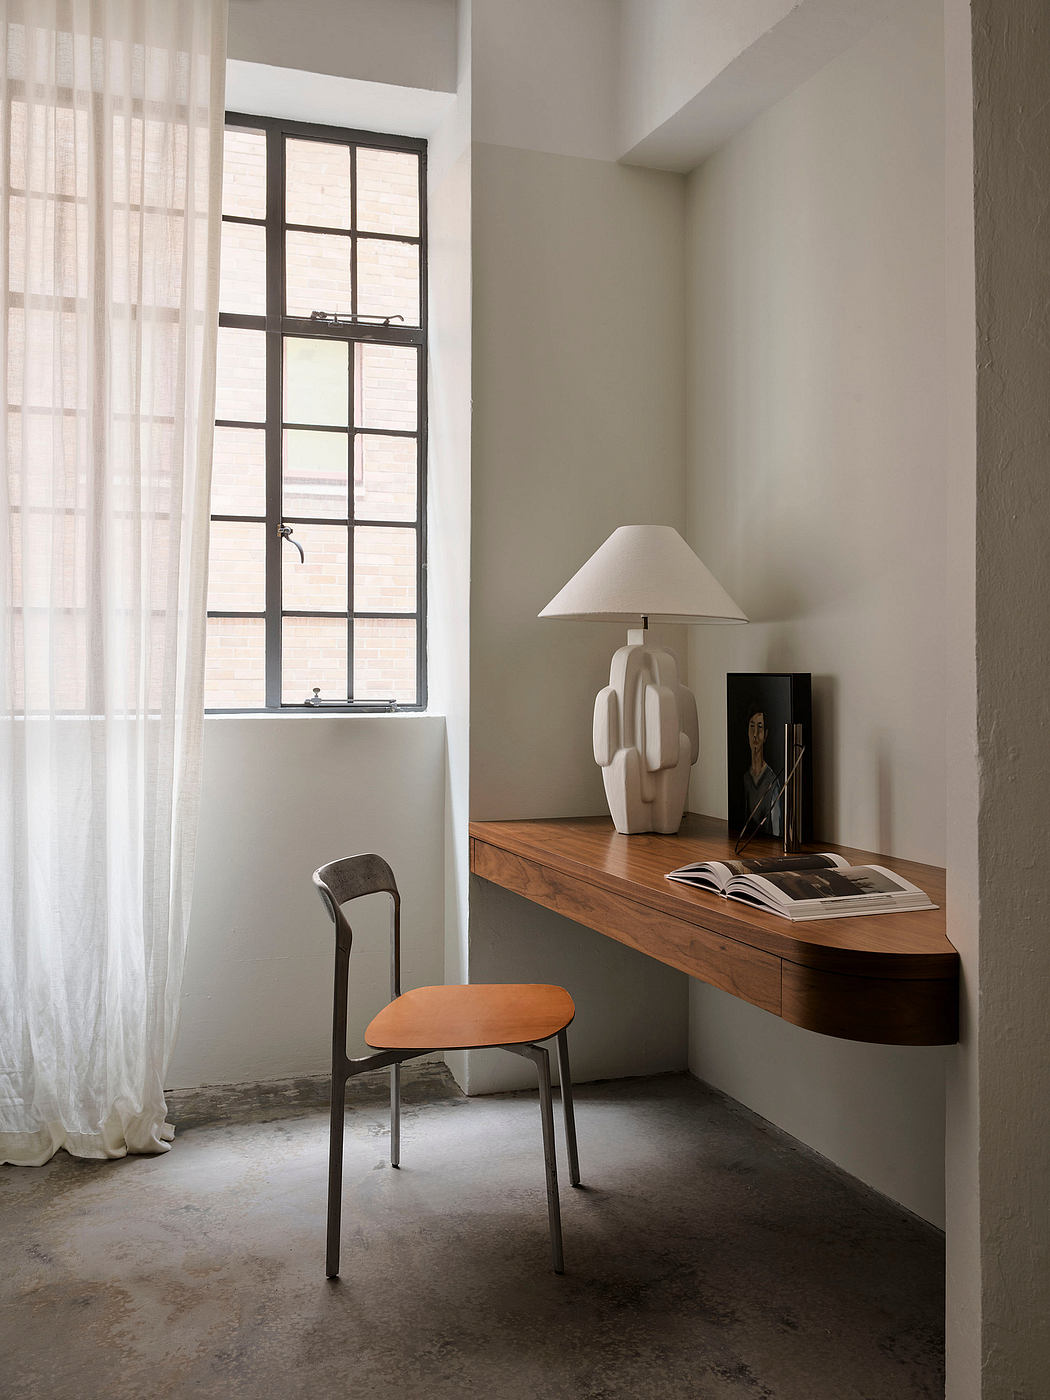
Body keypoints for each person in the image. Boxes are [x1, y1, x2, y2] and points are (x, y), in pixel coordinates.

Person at [743, 705, 781, 838]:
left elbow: (776, 829)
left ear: (765, 735)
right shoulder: (745, 778)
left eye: (759, 727)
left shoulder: (772, 782)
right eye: (752, 726)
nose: (755, 734)